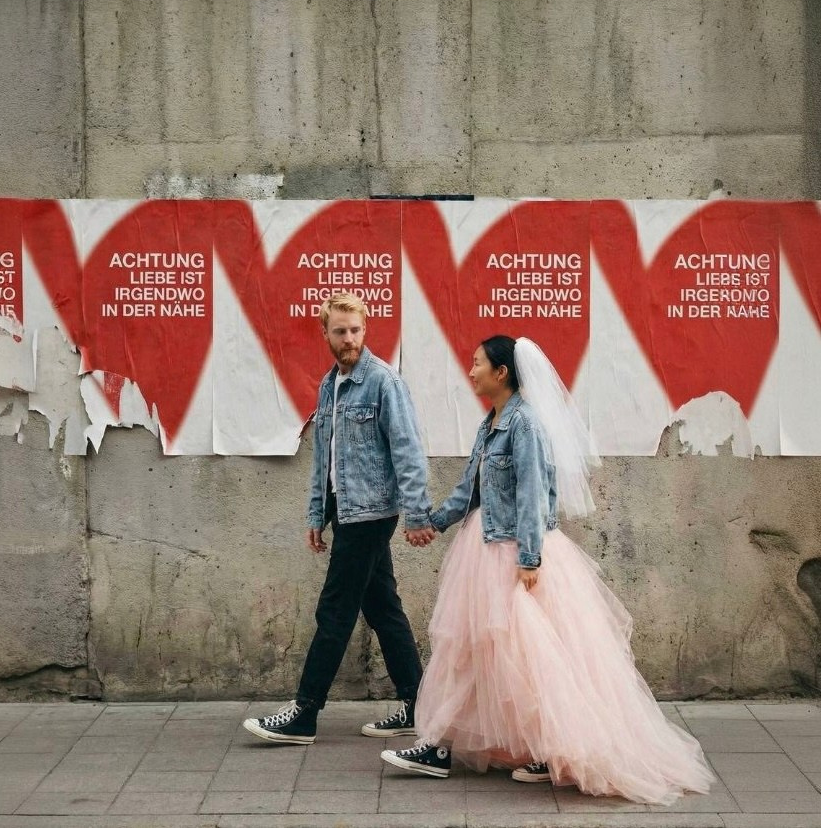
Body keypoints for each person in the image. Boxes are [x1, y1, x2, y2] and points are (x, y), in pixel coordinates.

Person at [380, 336, 714, 806]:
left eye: (477, 364)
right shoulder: (490, 424)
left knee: (529, 659)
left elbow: (535, 495)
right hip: (486, 548)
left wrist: (530, 560)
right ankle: (454, 747)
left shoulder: (525, 425)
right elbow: (470, 490)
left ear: (501, 373)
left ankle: (495, 749)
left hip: (515, 552)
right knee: (479, 651)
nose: (470, 370)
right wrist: (431, 523)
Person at [243, 292, 435, 745]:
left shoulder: (384, 382)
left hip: (371, 514)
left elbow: (408, 452)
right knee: (382, 608)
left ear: (365, 330)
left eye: (356, 330)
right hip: (345, 511)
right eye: (340, 332)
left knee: (334, 609)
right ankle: (418, 703)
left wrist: (416, 514)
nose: (349, 339)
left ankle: (304, 713)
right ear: (325, 333)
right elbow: (323, 460)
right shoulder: (330, 385)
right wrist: (317, 513)